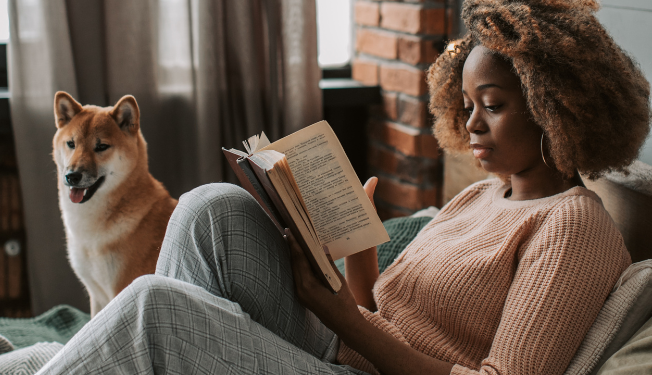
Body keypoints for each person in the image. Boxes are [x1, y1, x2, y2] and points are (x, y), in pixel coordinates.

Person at [36, 0, 651, 374]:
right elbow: (382, 313)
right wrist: (358, 259)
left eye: (491, 105)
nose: (469, 124)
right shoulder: (483, 194)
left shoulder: (573, 229)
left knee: (154, 310)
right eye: (464, 104)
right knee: (209, 209)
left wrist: (331, 308)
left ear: (556, 107)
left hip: (356, 367)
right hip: (345, 344)